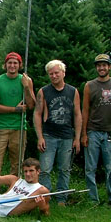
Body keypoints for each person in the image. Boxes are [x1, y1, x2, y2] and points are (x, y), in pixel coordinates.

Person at [81, 53, 111, 206]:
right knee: (90, 169)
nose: (101, 67)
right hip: (93, 131)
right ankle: (93, 199)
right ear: (96, 67)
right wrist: (83, 134)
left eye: (104, 65)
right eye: (99, 65)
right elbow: (85, 110)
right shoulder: (89, 86)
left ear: (109, 67)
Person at [33, 60, 82, 206]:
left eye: (56, 73)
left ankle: (61, 199)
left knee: (64, 169)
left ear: (63, 73)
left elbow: (78, 114)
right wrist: (40, 136)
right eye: (51, 74)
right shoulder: (43, 91)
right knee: (45, 169)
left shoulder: (73, 91)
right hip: (49, 135)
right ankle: (45, 197)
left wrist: (77, 138)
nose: (54, 76)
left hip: (67, 136)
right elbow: (37, 114)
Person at [0, 52, 35, 193]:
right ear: (5, 64)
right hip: (0, 128)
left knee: (17, 164)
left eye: (15, 63)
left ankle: (12, 194)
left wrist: (26, 87)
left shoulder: (26, 80)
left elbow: (31, 105)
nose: (12, 66)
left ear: (20, 65)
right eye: (10, 63)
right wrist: (15, 109)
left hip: (19, 128)